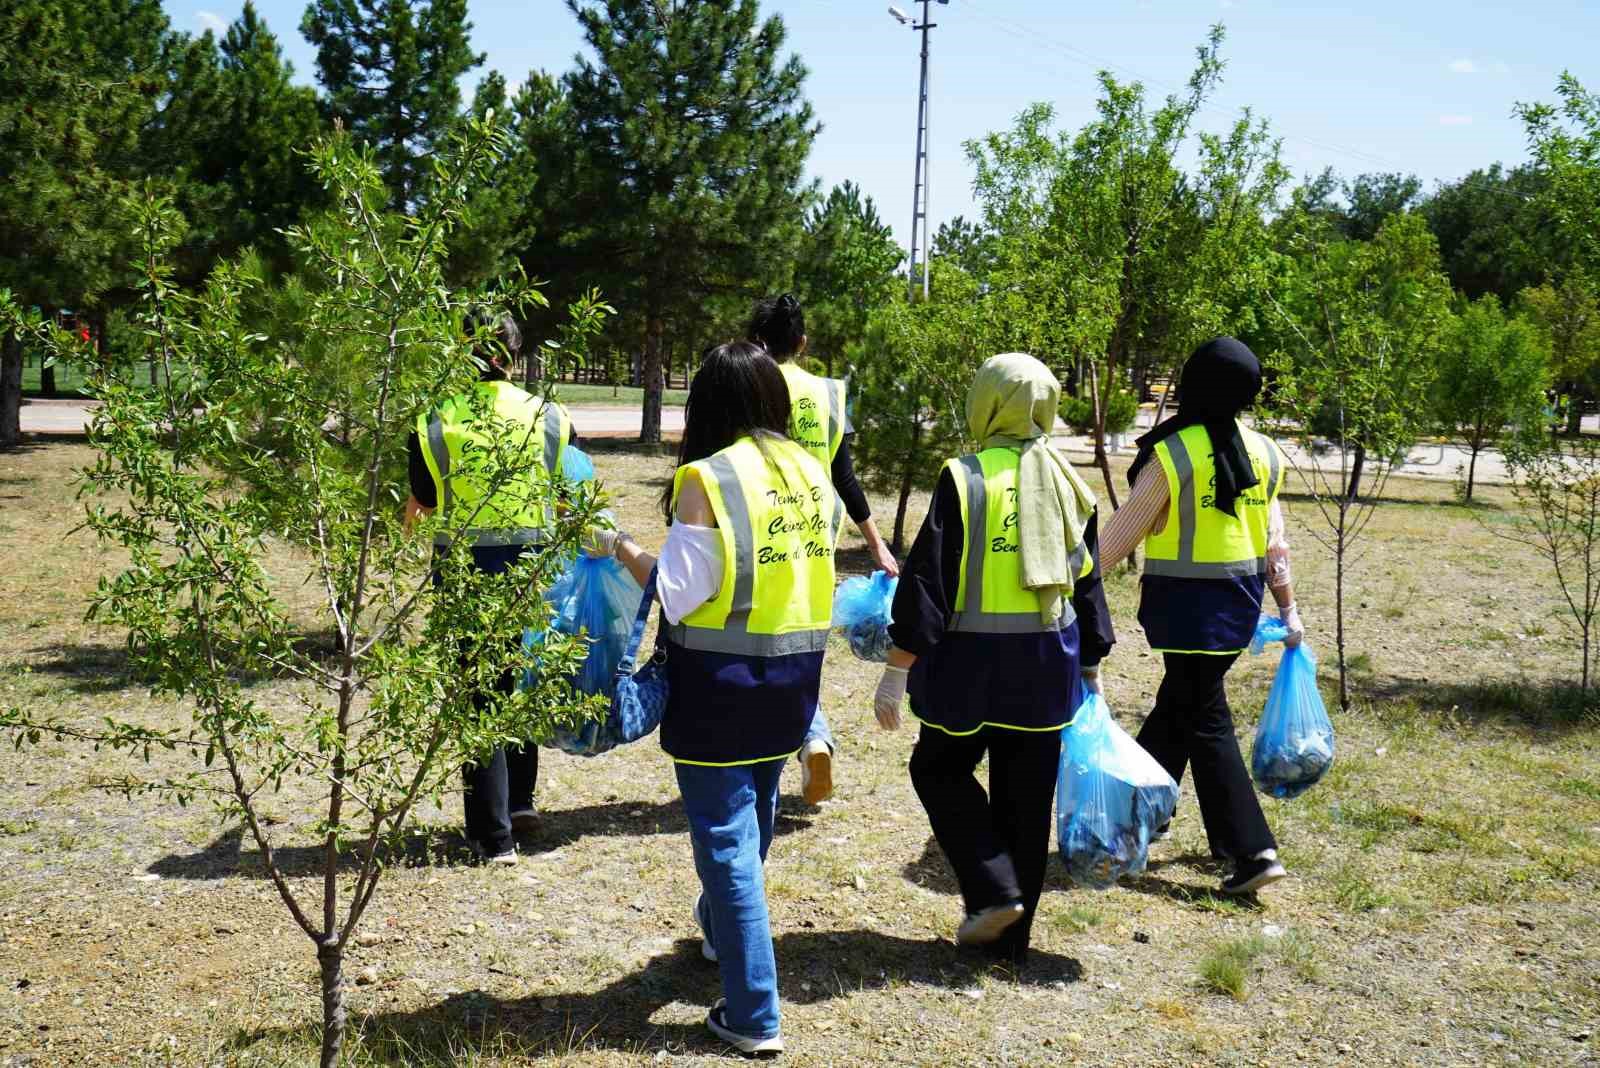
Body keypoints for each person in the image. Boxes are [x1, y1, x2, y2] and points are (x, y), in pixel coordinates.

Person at [596, 341, 840, 1055]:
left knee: (728, 846)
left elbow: (677, 592)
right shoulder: (810, 472)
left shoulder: (710, 476)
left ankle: (754, 1013)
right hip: (794, 680)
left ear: (707, 405)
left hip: (719, 685)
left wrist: (619, 545)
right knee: (754, 818)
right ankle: (719, 932)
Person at [872, 353, 1114, 966]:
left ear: (989, 402)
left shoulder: (966, 477)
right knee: (1026, 801)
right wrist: (1092, 664)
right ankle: (1010, 944)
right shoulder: (1069, 481)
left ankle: (993, 890)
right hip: (1048, 664)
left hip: (969, 667)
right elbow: (1086, 580)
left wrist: (897, 667)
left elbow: (929, 580)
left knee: (938, 769)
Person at [1096, 336, 1302, 896]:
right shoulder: (1264, 452)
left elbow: (1121, 535)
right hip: (1239, 608)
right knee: (1179, 709)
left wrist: (1066, 580)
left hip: (1185, 609)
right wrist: (1288, 607)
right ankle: (1138, 817)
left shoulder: (1174, 452)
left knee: (1206, 721)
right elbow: (1275, 544)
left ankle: (1252, 849)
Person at [405, 310, 577, 866]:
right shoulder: (549, 417)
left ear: (462, 352)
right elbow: (568, 493)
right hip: (533, 567)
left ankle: (493, 835)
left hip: (464, 571)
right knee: (522, 679)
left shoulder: (435, 420)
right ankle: (521, 802)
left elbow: (422, 504)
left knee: (478, 692)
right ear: (513, 355)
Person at [748, 294, 896, 805]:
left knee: (756, 648)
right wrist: (876, 544)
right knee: (802, 648)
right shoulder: (827, 393)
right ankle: (811, 738)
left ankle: (790, 744)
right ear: (803, 343)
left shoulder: (748, 382)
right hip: (815, 539)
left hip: (757, 533)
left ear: (755, 340)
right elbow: (844, 476)